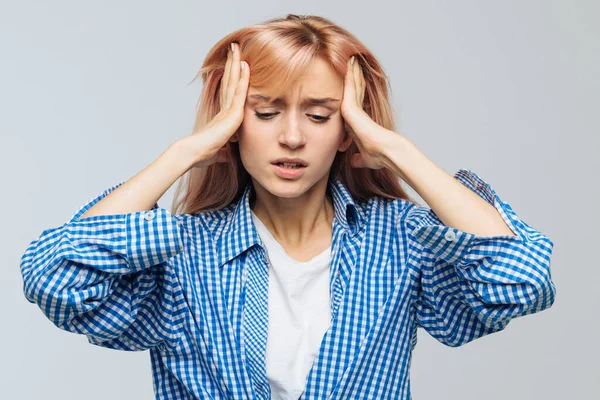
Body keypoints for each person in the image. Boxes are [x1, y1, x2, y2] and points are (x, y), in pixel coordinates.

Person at [19, 13, 556, 400]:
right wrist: (189, 151)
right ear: (232, 124)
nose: (293, 137)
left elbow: (519, 279)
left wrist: (395, 149)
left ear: (348, 132)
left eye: (321, 116)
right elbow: (55, 279)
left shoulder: (399, 241)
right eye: (266, 112)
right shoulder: (186, 253)